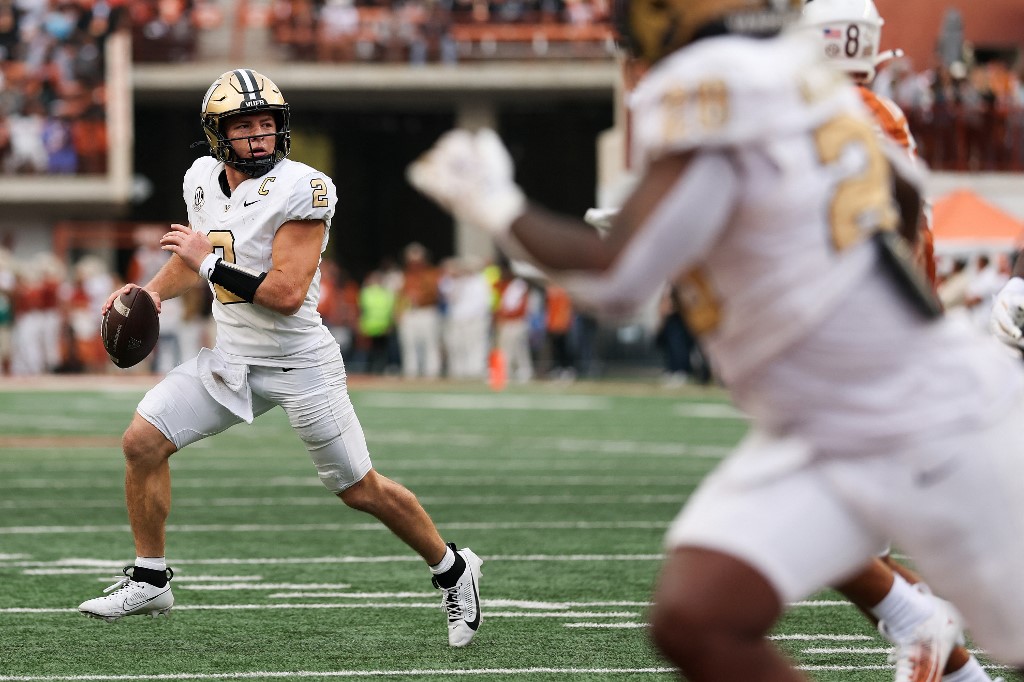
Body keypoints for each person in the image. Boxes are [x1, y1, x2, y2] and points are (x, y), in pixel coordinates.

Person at [407, 1, 1024, 678]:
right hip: (823, 427)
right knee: (696, 618)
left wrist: (495, 203)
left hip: (918, 412)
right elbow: (901, 197)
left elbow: (618, 284)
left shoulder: (714, 76)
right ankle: (921, 624)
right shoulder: (803, 75)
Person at [78, 69, 483, 648]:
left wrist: (206, 263)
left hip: (300, 362)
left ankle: (453, 568)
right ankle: (150, 576)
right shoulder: (201, 179)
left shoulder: (304, 188)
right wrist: (146, 294)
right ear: (218, 135)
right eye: (246, 127)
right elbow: (194, 259)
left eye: (268, 124)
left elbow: (287, 293)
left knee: (358, 489)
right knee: (141, 442)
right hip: (232, 357)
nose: (261, 137)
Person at [801, 2, 999, 679]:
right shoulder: (876, 113)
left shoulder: (833, 115)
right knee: (858, 552)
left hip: (871, 353)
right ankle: (952, 654)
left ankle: (930, 622)